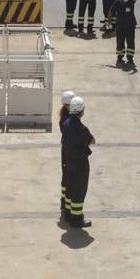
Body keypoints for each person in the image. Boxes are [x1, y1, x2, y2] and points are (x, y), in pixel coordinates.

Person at [61, 96, 95, 228]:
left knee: (70, 187)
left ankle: (69, 214)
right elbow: (92, 141)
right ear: (81, 111)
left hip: (69, 161)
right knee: (79, 190)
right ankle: (76, 219)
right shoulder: (82, 129)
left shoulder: (66, 123)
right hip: (80, 163)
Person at [58, 90, 76, 218]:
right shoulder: (68, 120)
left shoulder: (65, 116)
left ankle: (64, 201)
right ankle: (66, 205)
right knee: (69, 178)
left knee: (66, 177)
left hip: (65, 149)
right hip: (69, 152)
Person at [111, 0, 138, 69]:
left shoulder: (120, 1)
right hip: (127, 26)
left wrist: (109, 23)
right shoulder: (127, 1)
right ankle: (129, 58)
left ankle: (121, 57)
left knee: (120, 42)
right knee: (129, 42)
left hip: (123, 26)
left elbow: (110, 12)